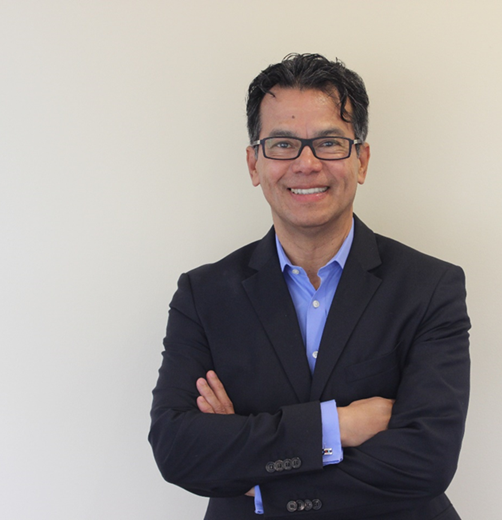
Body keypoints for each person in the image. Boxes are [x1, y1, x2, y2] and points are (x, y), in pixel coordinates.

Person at [150, 53, 471, 519]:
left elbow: (427, 458)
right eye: (282, 144)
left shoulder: (429, 287)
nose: (306, 163)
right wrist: (337, 425)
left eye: (329, 143)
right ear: (254, 164)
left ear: (361, 160)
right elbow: (179, 448)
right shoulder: (204, 295)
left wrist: (258, 476)